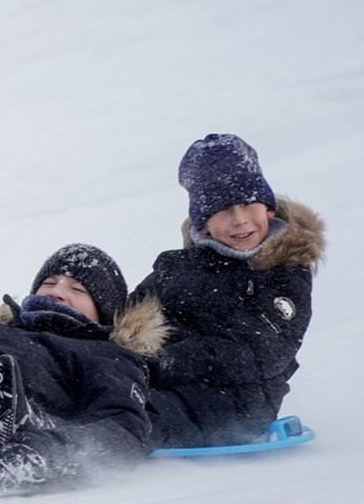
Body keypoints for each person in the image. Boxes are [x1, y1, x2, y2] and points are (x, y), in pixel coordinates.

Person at [0, 243, 168, 495]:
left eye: (77, 290)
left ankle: (6, 420)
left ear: (104, 311)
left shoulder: (107, 355)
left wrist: (45, 452)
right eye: (49, 283)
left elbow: (123, 429)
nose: (56, 292)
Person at [130, 133, 326, 449]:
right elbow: (126, 316)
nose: (239, 221)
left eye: (248, 204)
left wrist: (160, 357)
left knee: (126, 416)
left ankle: (69, 453)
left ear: (269, 209)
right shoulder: (177, 267)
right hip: (154, 382)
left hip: (234, 406)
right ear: (203, 224)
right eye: (221, 210)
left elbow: (257, 353)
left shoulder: (284, 273)